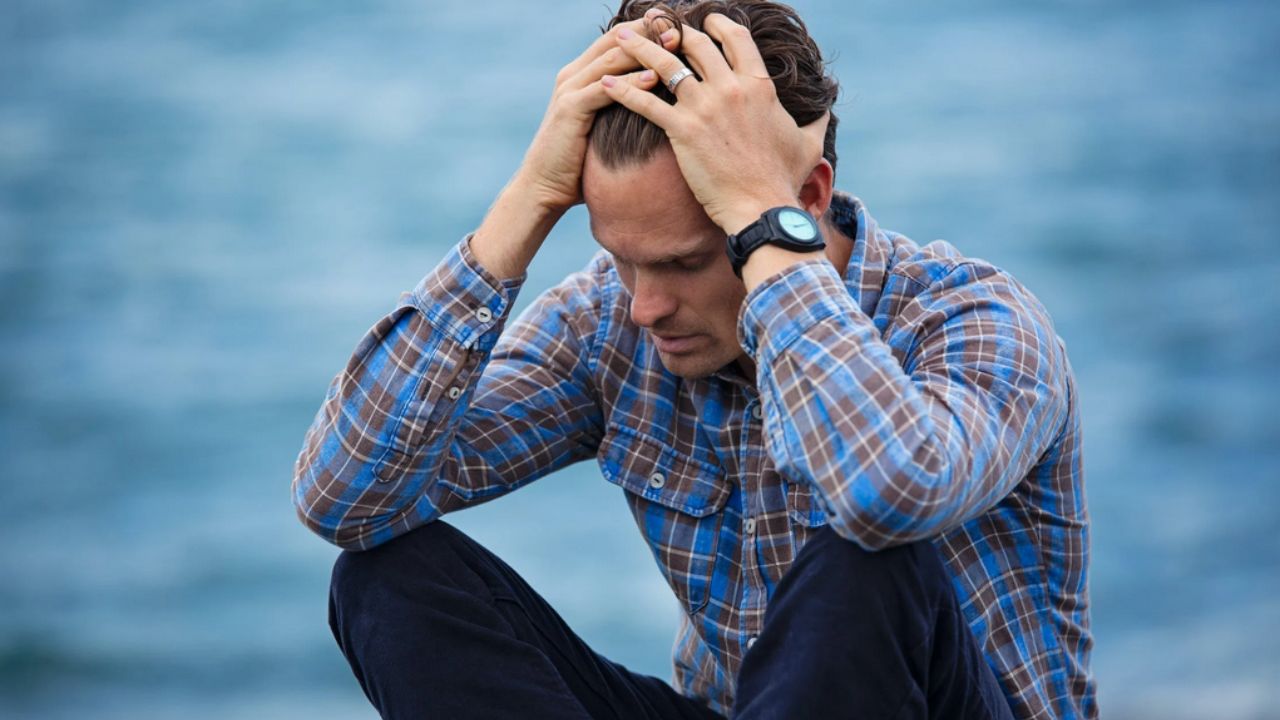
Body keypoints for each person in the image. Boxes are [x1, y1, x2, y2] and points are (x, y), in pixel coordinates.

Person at [292, 0, 1096, 717]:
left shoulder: (975, 319)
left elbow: (886, 493)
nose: (643, 305)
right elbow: (344, 499)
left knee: (866, 561)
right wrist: (527, 202)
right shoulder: (612, 322)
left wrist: (763, 221)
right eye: (620, 258)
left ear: (805, 199)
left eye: (682, 263)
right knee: (386, 579)